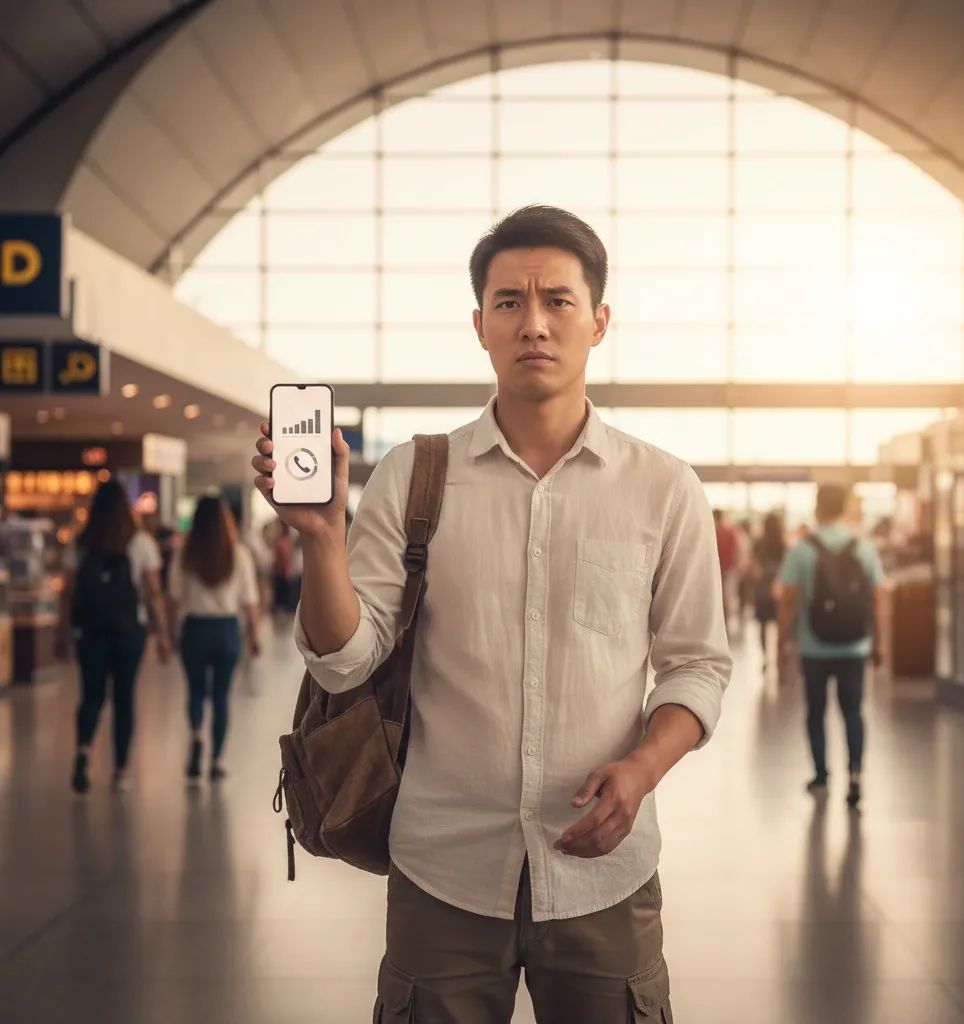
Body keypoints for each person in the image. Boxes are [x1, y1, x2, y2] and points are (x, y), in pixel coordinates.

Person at [252, 205, 732, 1022]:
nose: (533, 324)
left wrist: (644, 769)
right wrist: (323, 539)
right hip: (443, 869)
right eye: (509, 302)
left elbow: (696, 663)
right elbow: (348, 659)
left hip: (602, 878)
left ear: (599, 321)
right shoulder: (415, 476)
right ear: (479, 324)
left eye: (558, 302)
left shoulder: (663, 487)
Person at [58, 480, 171, 794]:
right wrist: (162, 636)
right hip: (128, 632)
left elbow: (67, 594)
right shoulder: (141, 543)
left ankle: (83, 750)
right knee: (124, 698)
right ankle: (120, 771)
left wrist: (62, 633)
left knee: (91, 695)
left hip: (90, 631)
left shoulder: (81, 544)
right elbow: (153, 594)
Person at [776, 484, 885, 809]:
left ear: (817, 507)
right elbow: (877, 599)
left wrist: (782, 642)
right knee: (853, 711)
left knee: (816, 711)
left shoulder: (802, 549)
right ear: (845, 508)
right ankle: (855, 775)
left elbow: (789, 600)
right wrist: (880, 641)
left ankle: (821, 776)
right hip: (855, 645)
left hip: (815, 647)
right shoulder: (863, 547)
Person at [167, 495, 262, 782]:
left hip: (195, 628)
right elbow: (250, 601)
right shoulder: (239, 553)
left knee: (196, 691)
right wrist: (254, 634)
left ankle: (197, 735)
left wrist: (172, 632)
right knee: (221, 696)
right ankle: (217, 760)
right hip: (227, 630)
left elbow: (173, 598)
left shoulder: (186, 553)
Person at [752, 511, 787, 667]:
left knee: (763, 625)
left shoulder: (759, 542)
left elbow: (754, 566)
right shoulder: (783, 543)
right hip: (779, 587)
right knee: (780, 624)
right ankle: (779, 657)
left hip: (762, 587)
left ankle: (765, 657)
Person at [713, 508, 738, 631]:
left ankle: (717, 622)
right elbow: (735, 551)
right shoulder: (729, 531)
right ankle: (725, 623)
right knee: (727, 596)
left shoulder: (711, 531)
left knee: (716, 595)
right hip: (728, 567)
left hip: (715, 569)